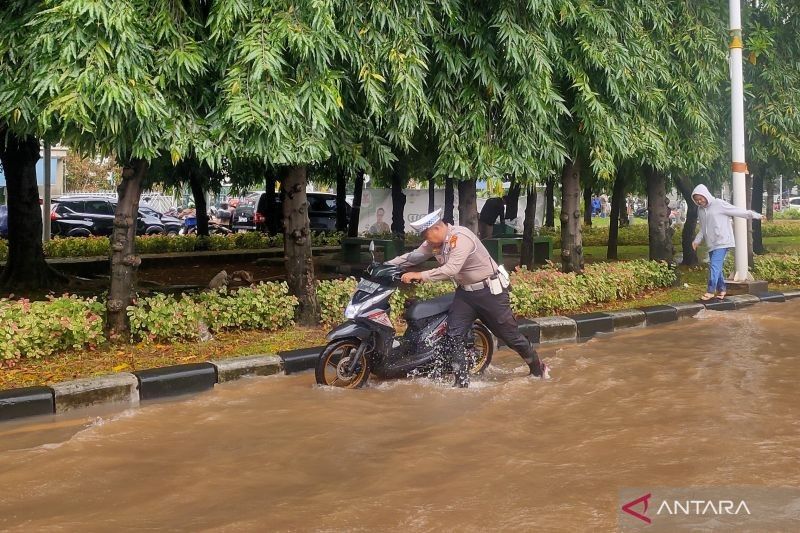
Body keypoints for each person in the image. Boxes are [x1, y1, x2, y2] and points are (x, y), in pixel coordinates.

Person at [388, 209, 548, 388]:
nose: (426, 240)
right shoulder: (433, 242)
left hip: (489, 292)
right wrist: (384, 266)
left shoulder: (460, 237)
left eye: (426, 235)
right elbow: (412, 257)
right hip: (465, 294)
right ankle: (461, 383)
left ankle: (537, 369)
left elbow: (451, 269)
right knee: (453, 336)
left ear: (436, 228)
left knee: (509, 336)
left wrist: (419, 275)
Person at [691, 184, 763, 301]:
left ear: (706, 195)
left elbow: (737, 211)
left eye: (701, 198)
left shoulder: (718, 204)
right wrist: (696, 240)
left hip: (723, 241)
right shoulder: (700, 210)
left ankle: (710, 291)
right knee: (716, 268)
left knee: (714, 266)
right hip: (711, 244)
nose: (699, 201)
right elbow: (703, 228)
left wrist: (755, 215)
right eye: (696, 200)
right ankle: (722, 289)